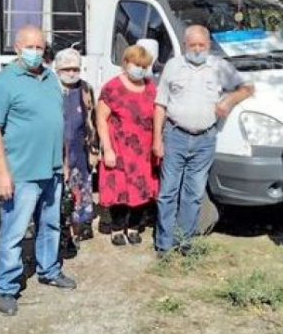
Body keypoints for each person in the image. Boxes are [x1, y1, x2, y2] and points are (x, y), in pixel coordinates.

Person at [0, 25, 76, 317]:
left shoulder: (51, 77)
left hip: (51, 169)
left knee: (50, 225)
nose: (35, 52)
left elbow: (56, 121)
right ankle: (7, 287)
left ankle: (49, 269)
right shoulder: (3, 81)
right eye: (30, 47)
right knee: (14, 232)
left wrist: (62, 161)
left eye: (40, 47)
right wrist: (2, 173)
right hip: (21, 171)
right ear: (17, 47)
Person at [153, 25, 254, 255]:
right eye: (192, 45)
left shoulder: (219, 66)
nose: (197, 50)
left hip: (205, 140)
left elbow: (247, 87)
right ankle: (164, 244)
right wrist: (157, 140)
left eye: (202, 45)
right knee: (168, 192)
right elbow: (160, 105)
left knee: (194, 192)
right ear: (185, 44)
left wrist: (229, 100)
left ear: (209, 45)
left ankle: (185, 240)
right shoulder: (173, 66)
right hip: (175, 135)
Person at [96, 45, 158, 246]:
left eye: (143, 65)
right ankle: (117, 228)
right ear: (125, 63)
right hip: (120, 149)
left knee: (141, 190)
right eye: (136, 64)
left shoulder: (150, 87)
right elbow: (101, 119)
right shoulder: (112, 88)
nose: (139, 68)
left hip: (144, 151)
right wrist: (107, 149)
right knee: (120, 191)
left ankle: (133, 227)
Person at [54, 48, 99, 241]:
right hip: (56, 150)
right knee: (59, 190)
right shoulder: (51, 89)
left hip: (80, 149)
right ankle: (61, 229)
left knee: (81, 186)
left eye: (75, 68)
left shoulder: (86, 88)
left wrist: (94, 149)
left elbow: (92, 121)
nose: (71, 73)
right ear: (57, 69)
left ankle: (79, 226)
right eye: (66, 69)